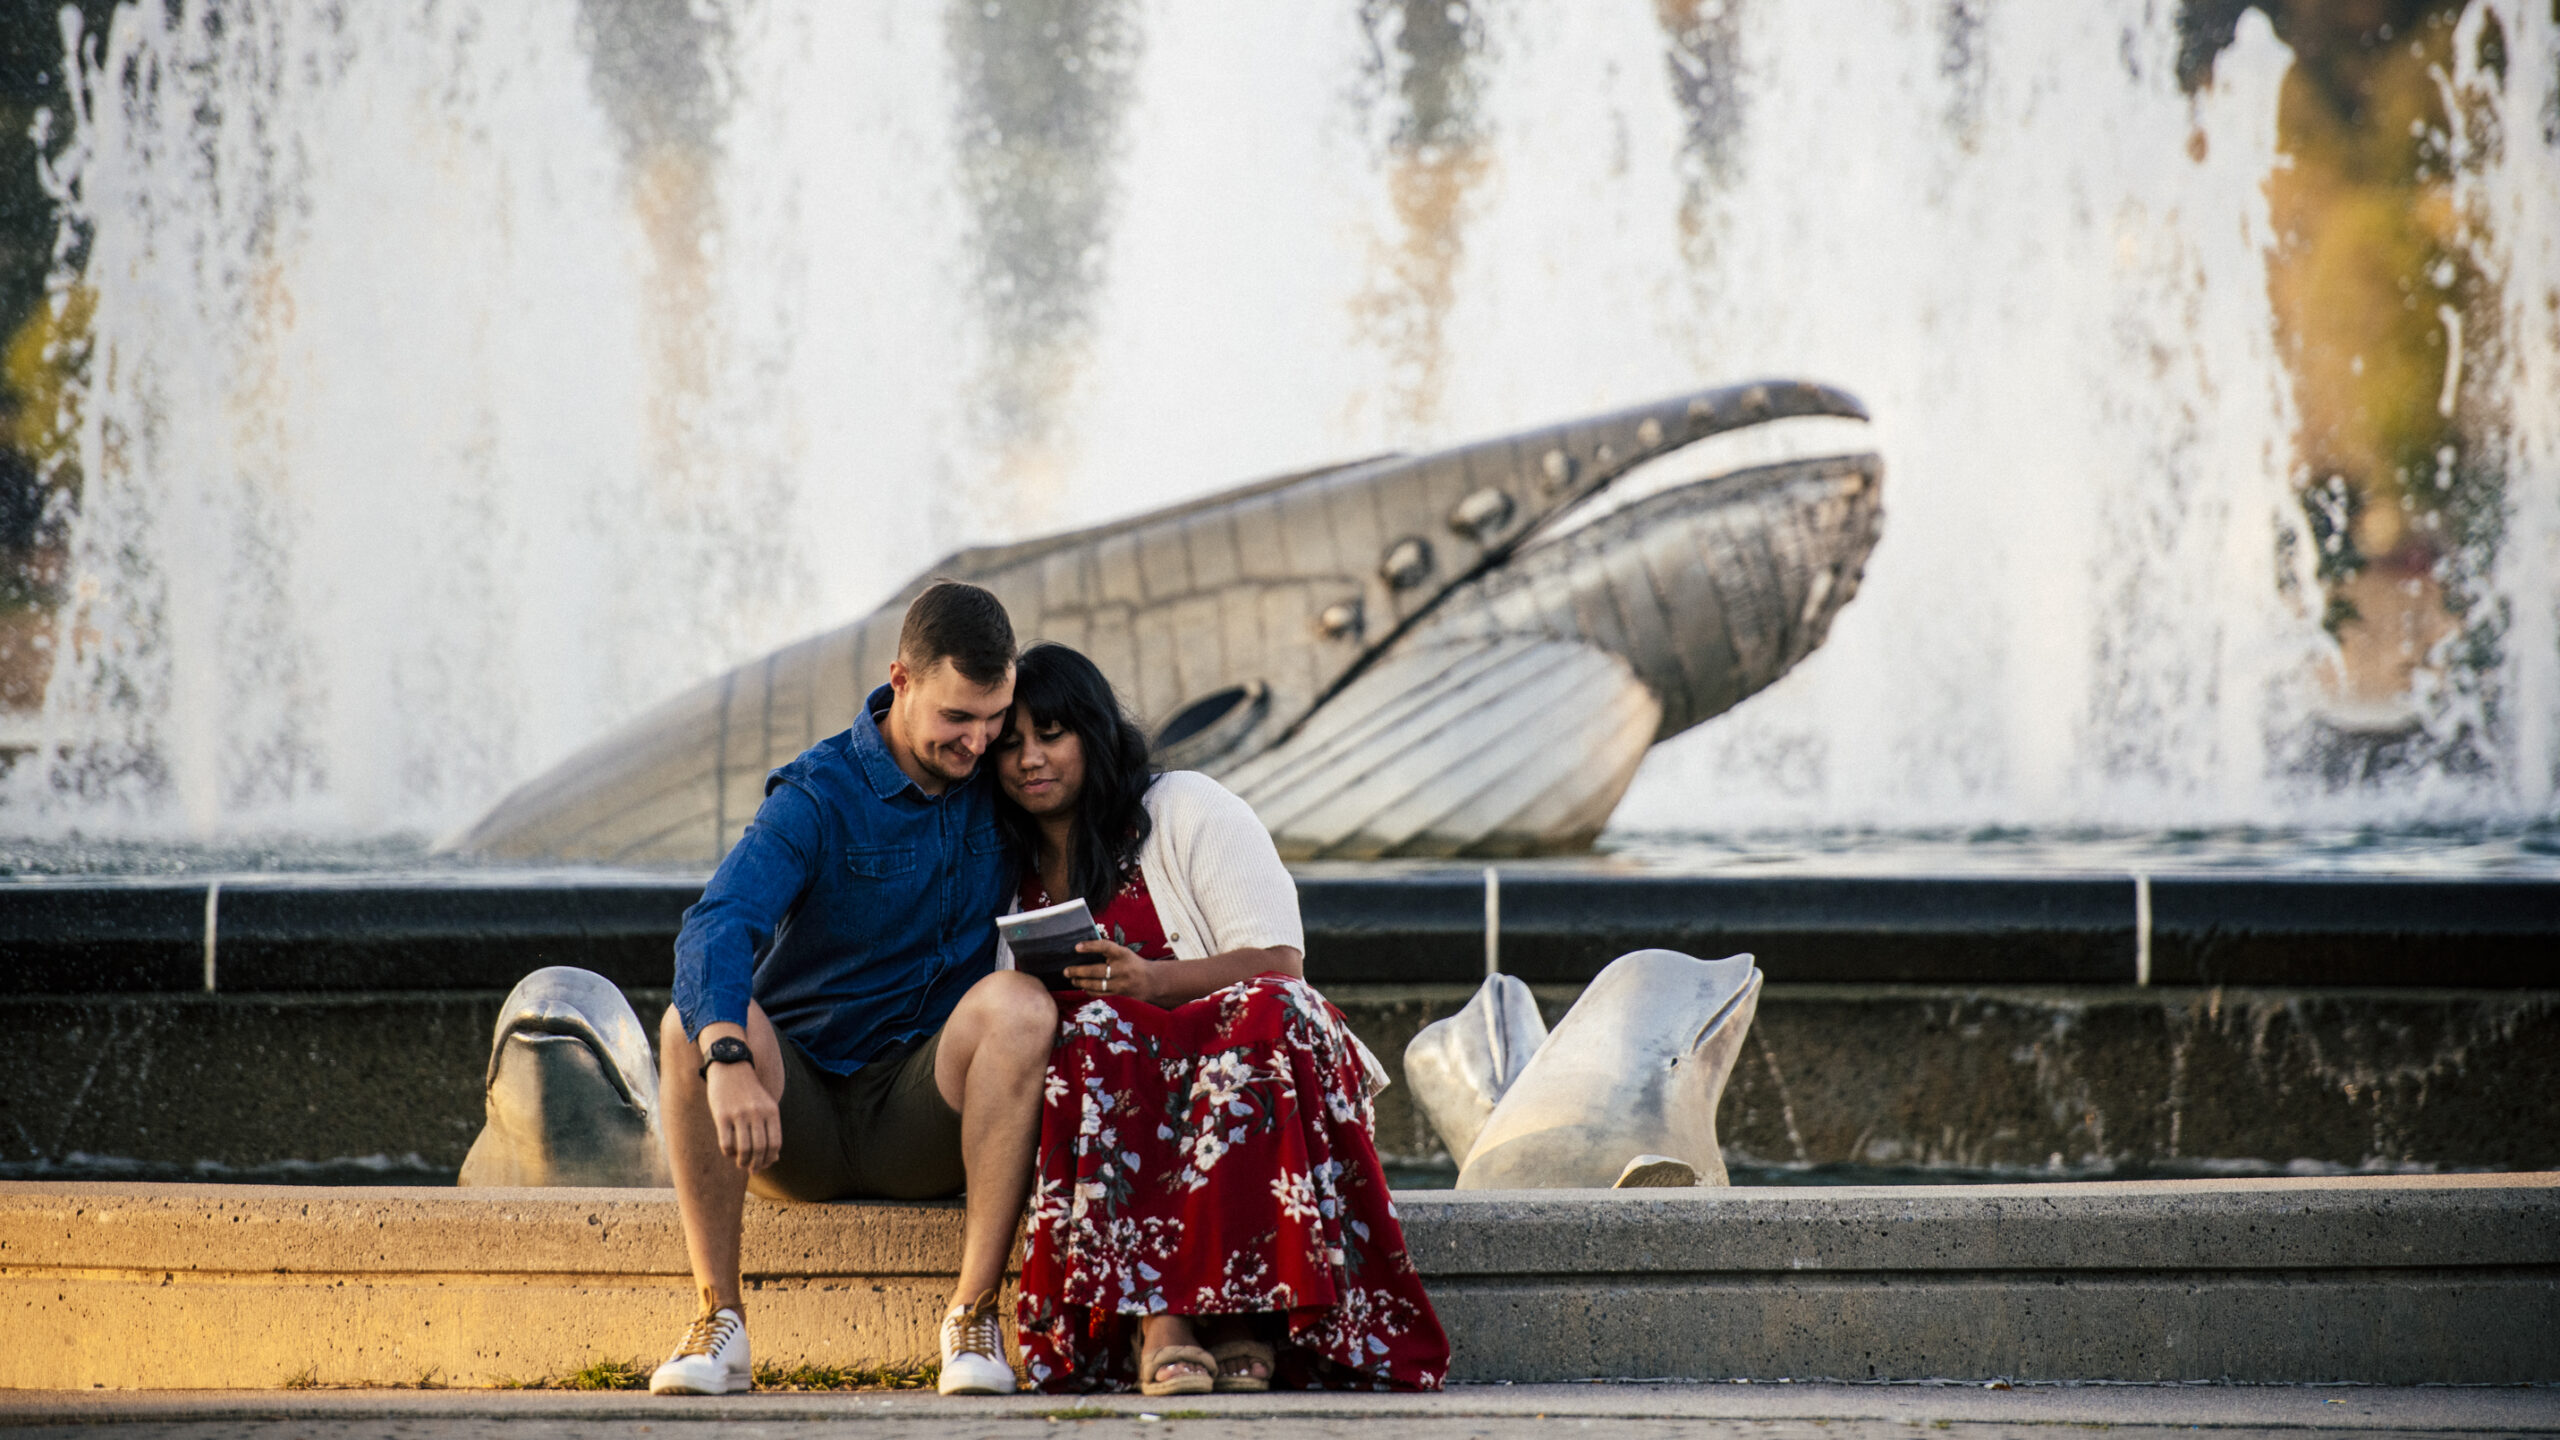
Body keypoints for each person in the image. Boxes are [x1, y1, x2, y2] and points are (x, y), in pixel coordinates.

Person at [991, 643, 1449, 1395]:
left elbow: (1280, 960)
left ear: (1094, 734)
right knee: (1100, 1034)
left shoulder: (1184, 806)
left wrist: (1153, 980)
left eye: (1051, 734)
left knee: (1265, 1015)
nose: (1031, 760)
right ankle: (1162, 1322)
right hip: (1105, 1069)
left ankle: (1245, 1319)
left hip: (1230, 1041)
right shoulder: (1002, 866)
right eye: (1010, 746)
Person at [649, 580, 1056, 1398]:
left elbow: (1108, 788)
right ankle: (717, 1321)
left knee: (1018, 1007)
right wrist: (728, 1059)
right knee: (683, 1025)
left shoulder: (1001, 779)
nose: (979, 743)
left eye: (993, 719)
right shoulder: (818, 794)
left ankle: (973, 1317)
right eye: (956, 718)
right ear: (901, 680)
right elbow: (718, 923)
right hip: (795, 1118)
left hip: (922, 1112)